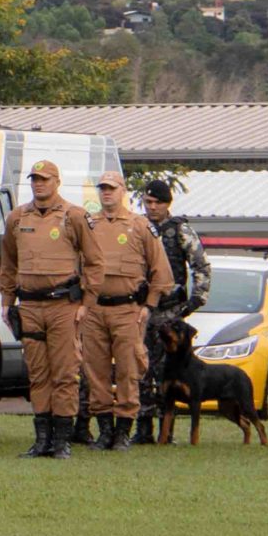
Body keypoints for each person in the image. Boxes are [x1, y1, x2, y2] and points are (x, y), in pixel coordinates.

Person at [0, 158, 94, 460]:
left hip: (63, 304)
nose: (38, 184)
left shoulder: (74, 216)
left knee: (65, 373)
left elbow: (95, 262)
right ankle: (42, 440)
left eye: (44, 179)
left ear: (57, 182)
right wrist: (6, 301)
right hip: (30, 304)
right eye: (34, 179)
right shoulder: (17, 218)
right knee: (37, 373)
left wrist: (86, 304)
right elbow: (8, 263)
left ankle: (63, 440)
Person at [80, 170, 172, 450]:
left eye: (111, 188)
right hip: (94, 309)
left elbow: (161, 271)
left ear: (122, 191)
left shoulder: (140, 225)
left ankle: (123, 431)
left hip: (127, 309)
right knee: (95, 372)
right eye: (102, 188)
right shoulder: (88, 224)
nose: (106, 193)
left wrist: (149, 306)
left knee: (128, 370)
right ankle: (104, 429)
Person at [136, 180, 211, 444]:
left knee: (168, 372)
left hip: (170, 312)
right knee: (139, 369)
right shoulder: (137, 226)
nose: (153, 207)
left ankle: (165, 432)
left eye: (158, 203)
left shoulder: (180, 230)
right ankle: (142, 429)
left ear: (168, 204)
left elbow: (201, 266)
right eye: (148, 202)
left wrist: (196, 300)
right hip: (140, 309)